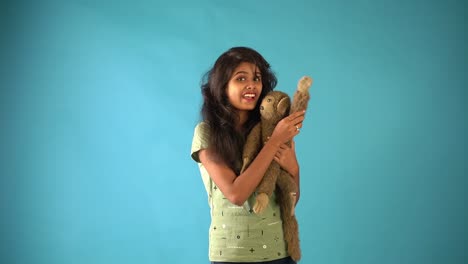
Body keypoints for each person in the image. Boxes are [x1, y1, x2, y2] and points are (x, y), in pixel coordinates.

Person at [191, 47, 305, 264]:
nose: (252, 85)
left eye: (257, 78)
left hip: (280, 253)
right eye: (240, 78)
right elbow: (236, 194)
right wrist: (274, 142)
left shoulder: (271, 132)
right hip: (232, 255)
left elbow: (289, 201)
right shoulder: (206, 134)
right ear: (222, 87)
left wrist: (294, 169)